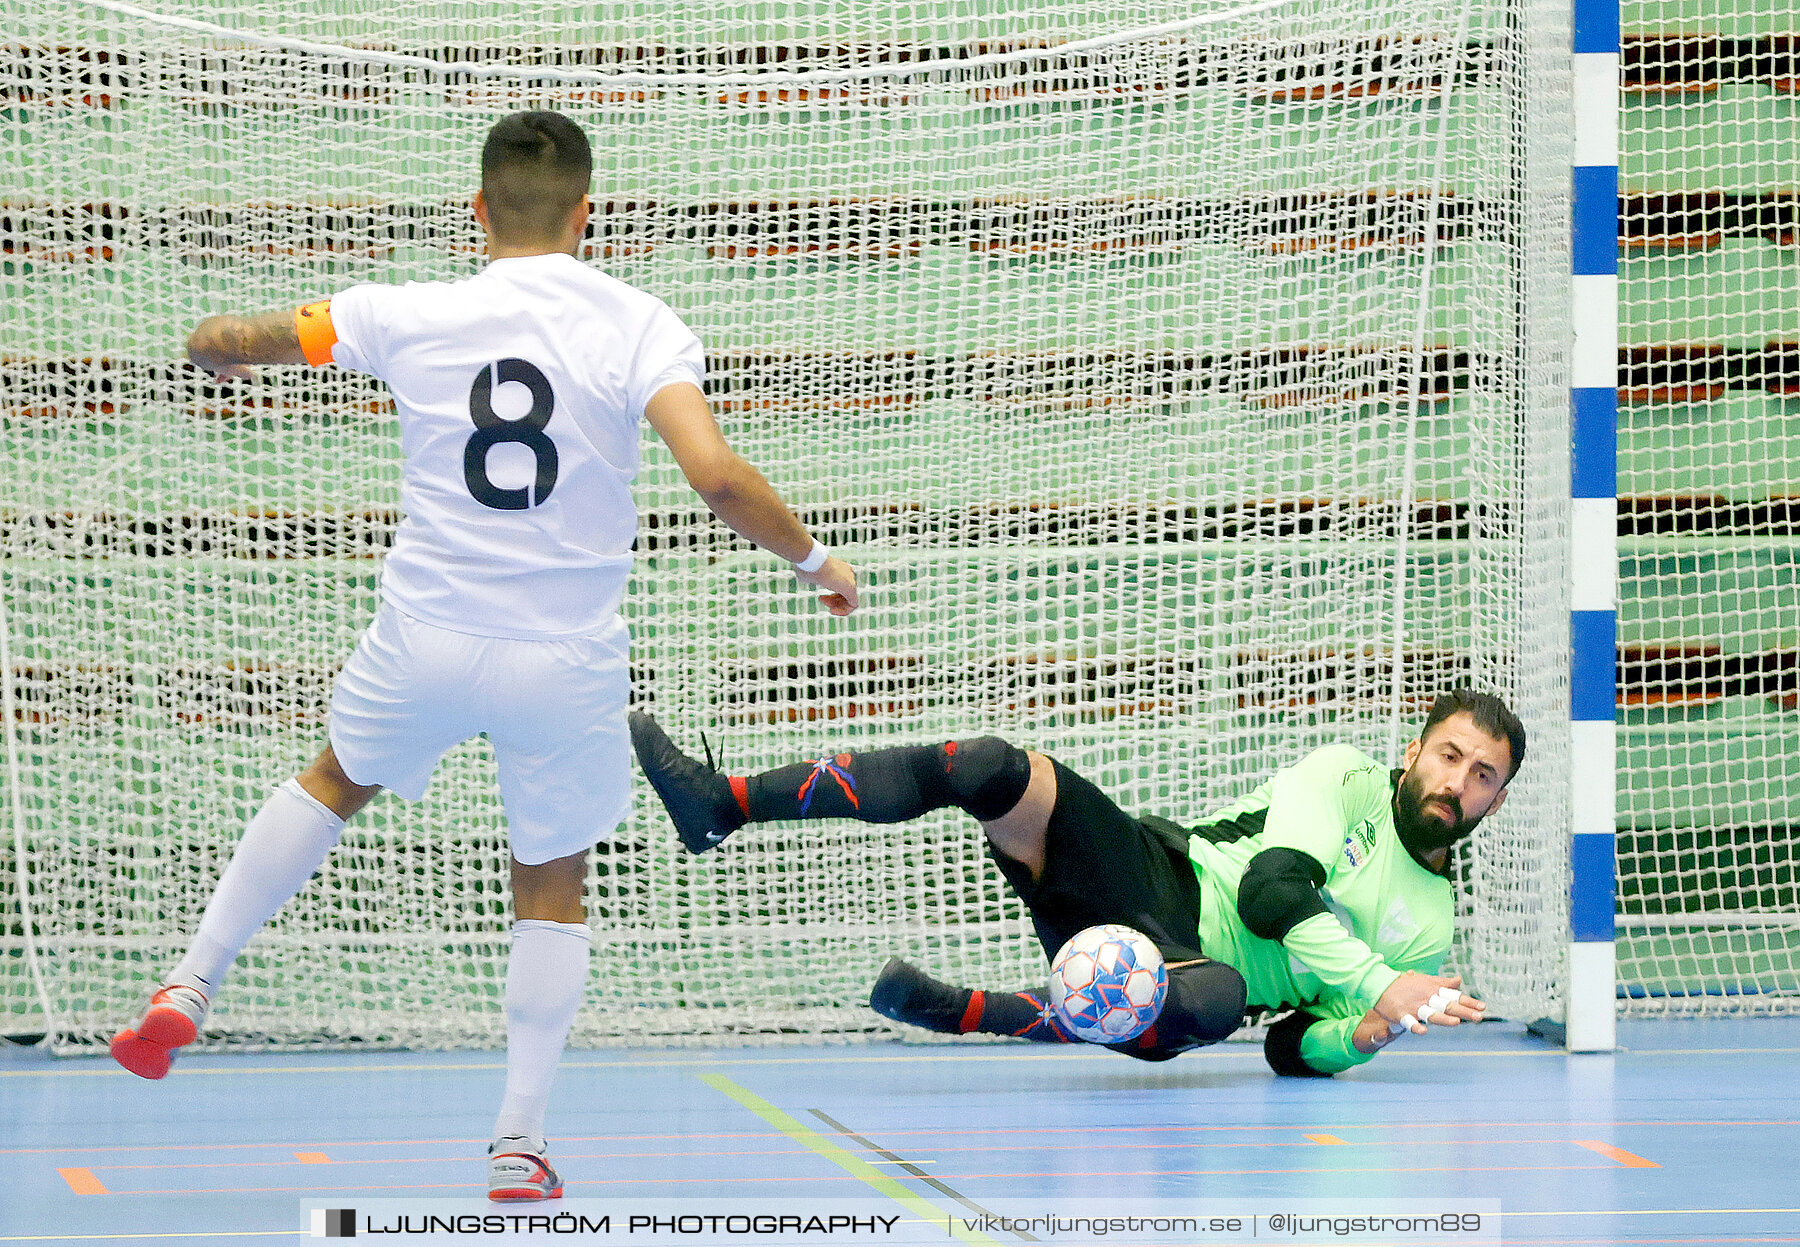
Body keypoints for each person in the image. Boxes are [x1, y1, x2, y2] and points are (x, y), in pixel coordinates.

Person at [109, 110, 859, 1201]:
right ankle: (518, 1139)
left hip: (426, 633)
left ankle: (191, 980)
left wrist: (209, 347)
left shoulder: (398, 312)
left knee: (331, 781)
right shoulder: (640, 322)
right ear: (586, 214)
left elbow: (249, 338)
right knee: (551, 876)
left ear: (477, 210)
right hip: (562, 654)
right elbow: (714, 474)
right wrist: (813, 559)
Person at [631, 687, 1522, 1076]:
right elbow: (1269, 895)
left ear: (1497, 797)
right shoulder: (1346, 777)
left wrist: (1361, 1034)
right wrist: (1378, 981)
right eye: (1450, 755)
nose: (1457, 782)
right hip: (1159, 872)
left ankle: (970, 1009)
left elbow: (1292, 1048)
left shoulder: (1426, 933)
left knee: (1218, 998)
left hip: (1194, 987)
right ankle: (727, 803)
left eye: (1482, 775)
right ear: (1415, 751)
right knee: (990, 766)